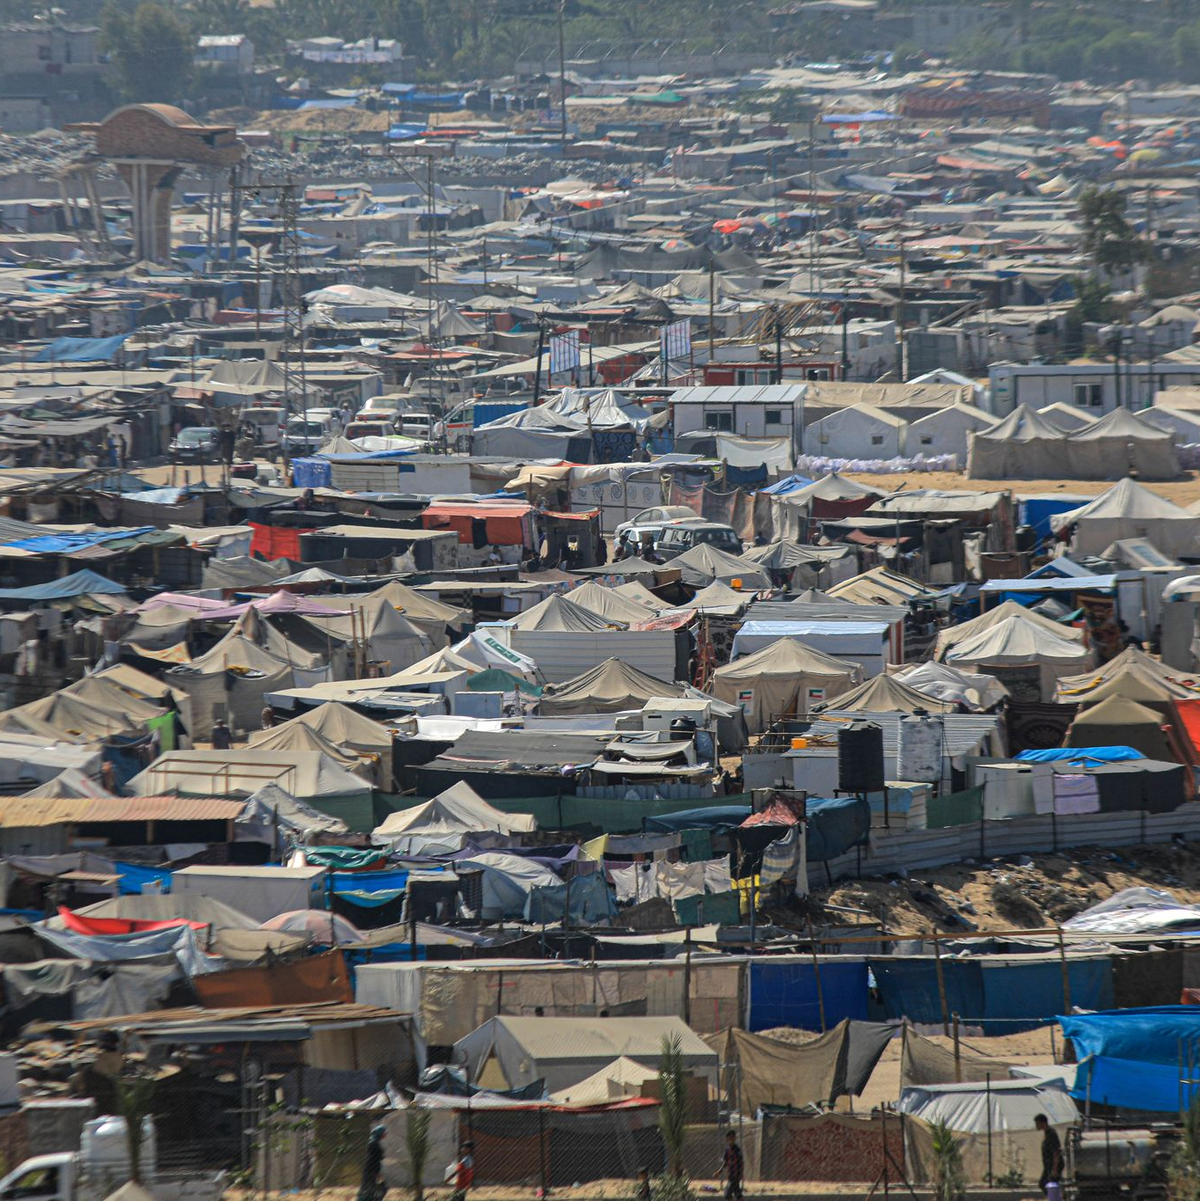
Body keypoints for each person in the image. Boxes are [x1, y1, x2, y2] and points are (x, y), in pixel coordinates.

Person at [1035, 1114, 1062, 1199]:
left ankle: (1055, 1198)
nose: (1036, 1126)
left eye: (1037, 1123)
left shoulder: (1051, 1134)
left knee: (1046, 1184)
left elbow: (1056, 1153)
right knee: (1045, 1184)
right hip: (1048, 1165)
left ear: (1043, 1123)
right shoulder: (1047, 1133)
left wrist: (1054, 1170)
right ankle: (1055, 1198)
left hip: (1054, 1165)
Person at [358, 1125, 386, 1201]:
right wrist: (376, 1172)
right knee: (369, 1191)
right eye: (384, 1133)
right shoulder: (374, 1144)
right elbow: (374, 1159)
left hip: (371, 1170)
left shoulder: (374, 1143)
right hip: (371, 1171)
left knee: (371, 1190)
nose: (385, 1135)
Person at [719, 1130, 744, 1201]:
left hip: (735, 1176)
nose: (731, 1140)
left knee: (727, 1194)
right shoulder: (727, 1150)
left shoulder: (737, 1150)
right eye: (729, 1138)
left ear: (734, 1138)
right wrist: (719, 1171)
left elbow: (741, 1163)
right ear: (727, 1139)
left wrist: (741, 1174)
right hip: (730, 1175)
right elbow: (725, 1163)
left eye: (732, 1138)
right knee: (738, 1194)